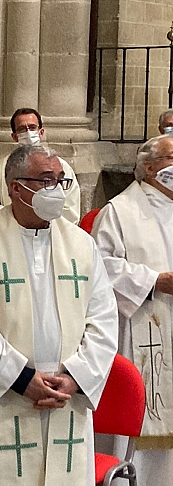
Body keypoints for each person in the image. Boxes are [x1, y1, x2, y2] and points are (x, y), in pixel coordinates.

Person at [0, 145, 118, 486]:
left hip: (67, 399)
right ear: (15, 187)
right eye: (44, 180)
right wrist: (24, 380)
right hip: (7, 396)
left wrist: (75, 377)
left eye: (60, 180)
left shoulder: (81, 245)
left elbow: (104, 320)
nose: (55, 189)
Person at [92, 134, 173, 486]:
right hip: (143, 325)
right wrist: (154, 280)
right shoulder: (119, 211)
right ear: (150, 166)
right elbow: (99, 267)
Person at [0, 108, 81, 225]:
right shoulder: (0, 168)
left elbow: (71, 210)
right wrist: (23, 216)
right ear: (14, 136)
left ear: (41, 132)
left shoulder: (60, 167)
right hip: (11, 235)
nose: (28, 133)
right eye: (22, 129)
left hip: (50, 236)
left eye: (32, 128)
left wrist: (42, 216)